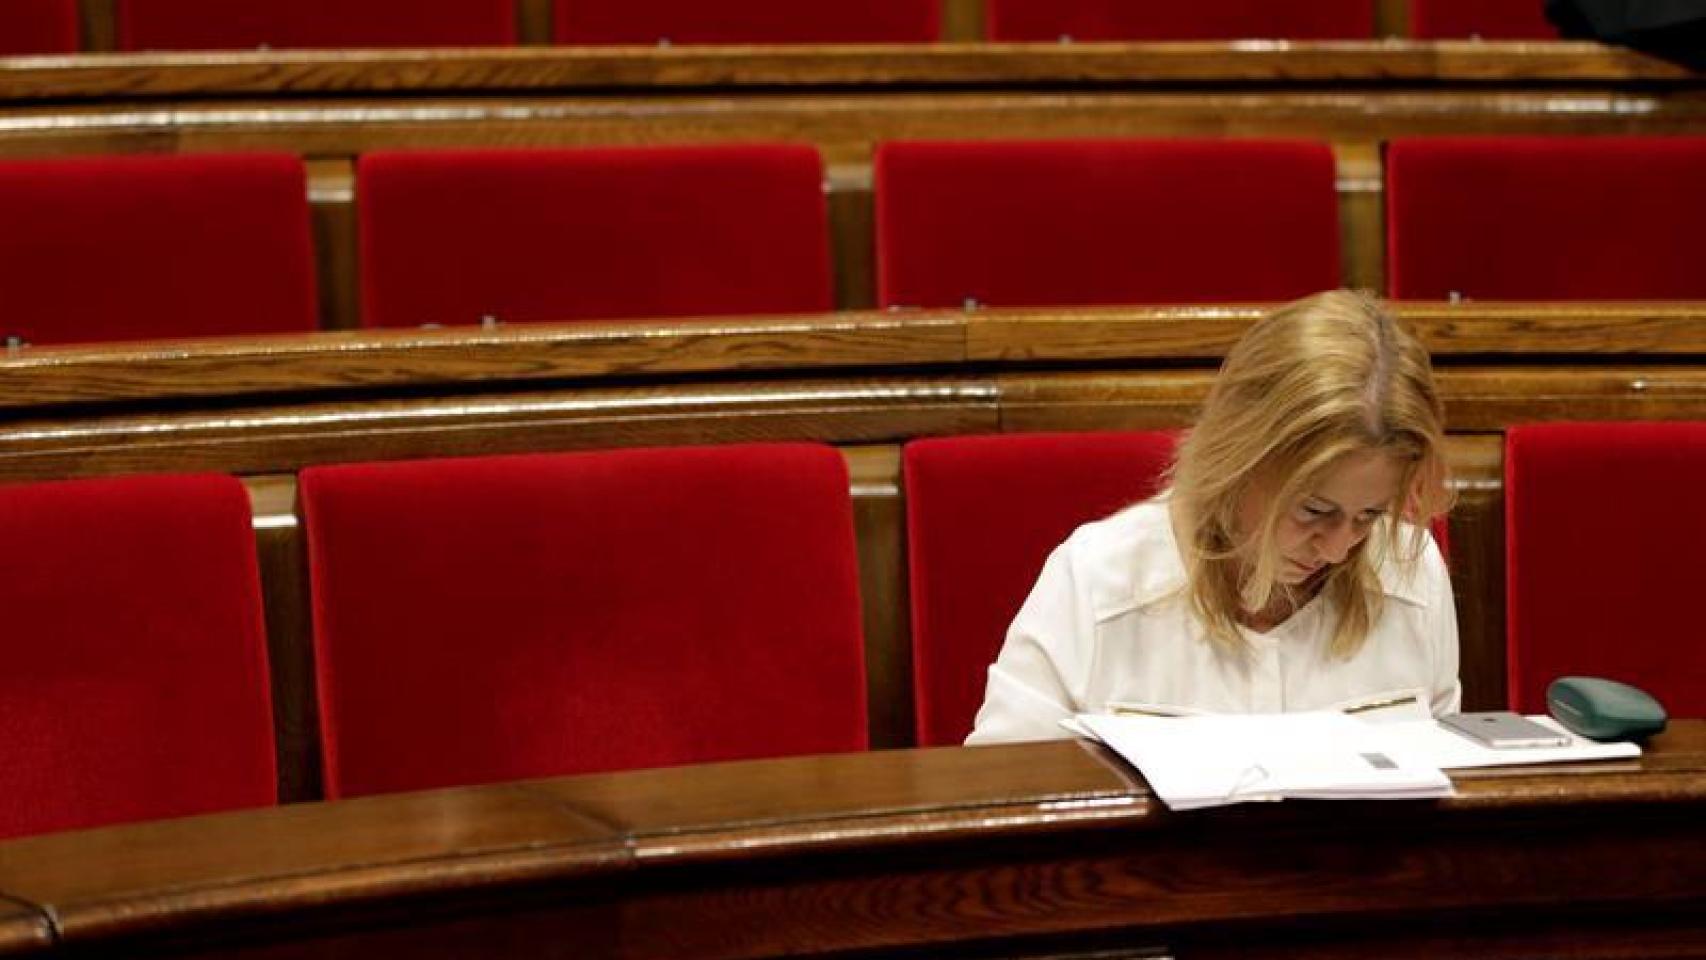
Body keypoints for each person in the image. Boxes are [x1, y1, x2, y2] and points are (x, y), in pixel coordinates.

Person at [966, 290, 1458, 744]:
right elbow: (1005, 794)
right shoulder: (1097, 580)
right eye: (1313, 511)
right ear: (1236, 462)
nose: (1337, 548)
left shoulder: (1411, 572)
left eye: (1368, 516)